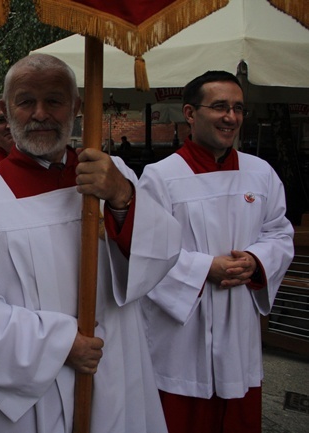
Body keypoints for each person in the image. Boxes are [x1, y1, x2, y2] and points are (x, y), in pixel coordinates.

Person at [0, 53, 167, 433]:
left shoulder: (113, 175)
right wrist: (59, 344)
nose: (40, 113)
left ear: (76, 107)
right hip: (35, 389)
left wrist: (123, 198)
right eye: (26, 101)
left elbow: (160, 257)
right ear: (7, 111)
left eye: (55, 100)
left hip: (116, 366)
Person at [136, 70, 294, 433]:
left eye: (238, 108)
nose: (231, 117)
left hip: (238, 322)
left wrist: (256, 262)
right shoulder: (160, 178)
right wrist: (206, 268)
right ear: (190, 113)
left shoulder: (261, 173)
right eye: (220, 106)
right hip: (182, 334)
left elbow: (279, 233)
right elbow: (146, 251)